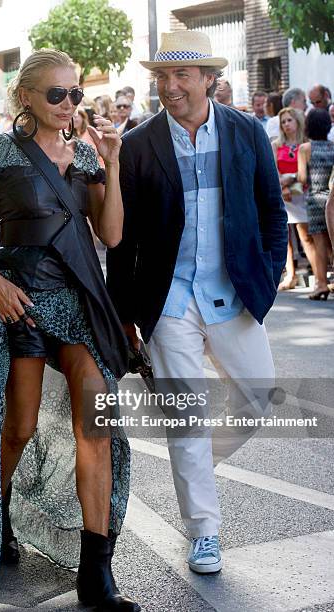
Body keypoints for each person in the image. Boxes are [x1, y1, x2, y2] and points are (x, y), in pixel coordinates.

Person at [0, 49, 140, 611]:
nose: (69, 105)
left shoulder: (86, 156)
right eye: (56, 94)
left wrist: (111, 164)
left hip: (80, 303)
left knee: (98, 423)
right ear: (25, 99)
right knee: (20, 425)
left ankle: (96, 573)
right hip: (23, 305)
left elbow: (108, 236)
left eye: (76, 94)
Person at [106, 30, 287, 576]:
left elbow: (273, 213)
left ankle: (193, 462)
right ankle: (204, 533)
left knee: (259, 400)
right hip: (168, 305)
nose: (169, 86)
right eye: (162, 77)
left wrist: (270, 279)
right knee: (187, 422)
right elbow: (124, 242)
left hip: (233, 296)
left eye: (181, 75)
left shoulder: (246, 131)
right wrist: (125, 318)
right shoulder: (139, 144)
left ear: (210, 79)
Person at [272, 107, 316, 290]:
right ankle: (290, 275)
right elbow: (273, 169)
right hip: (284, 193)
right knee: (285, 237)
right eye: (283, 121)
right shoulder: (276, 144)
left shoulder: (306, 143)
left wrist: (293, 180)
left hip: (302, 192)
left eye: (289, 120)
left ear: (298, 121)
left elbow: (309, 170)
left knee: (306, 235)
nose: (286, 124)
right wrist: (282, 187)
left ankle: (317, 273)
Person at [297, 108, 334, 299]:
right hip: (332, 199)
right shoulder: (333, 146)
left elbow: (303, 178)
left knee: (319, 242)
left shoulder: (305, 149)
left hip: (315, 199)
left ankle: (321, 284)